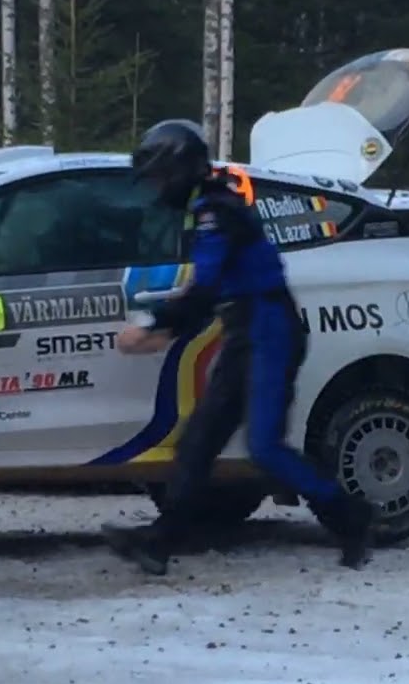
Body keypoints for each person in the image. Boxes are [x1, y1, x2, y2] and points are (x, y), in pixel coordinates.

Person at [101, 119, 378, 576]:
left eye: (157, 176)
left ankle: (351, 516)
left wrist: (154, 322)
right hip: (246, 329)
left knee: (265, 448)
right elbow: (211, 291)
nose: (155, 188)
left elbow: (207, 285)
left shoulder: (216, 213)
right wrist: (167, 329)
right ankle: (162, 540)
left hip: (269, 330)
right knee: (199, 438)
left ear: (178, 169)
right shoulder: (207, 207)